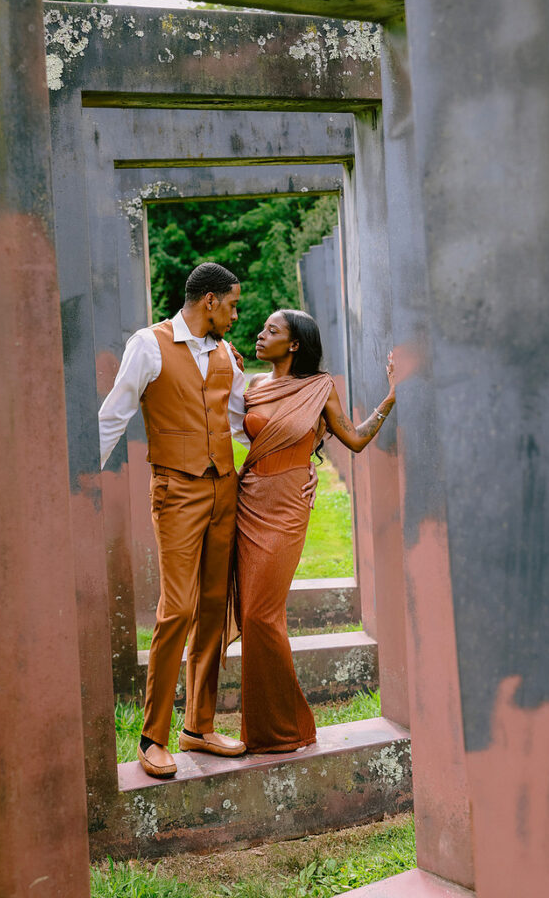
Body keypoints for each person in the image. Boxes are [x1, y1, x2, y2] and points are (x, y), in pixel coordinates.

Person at [98, 264, 316, 777]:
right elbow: (114, 414)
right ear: (210, 301)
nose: (239, 316)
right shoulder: (148, 345)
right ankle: (152, 737)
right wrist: (70, 484)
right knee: (177, 608)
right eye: (234, 305)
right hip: (176, 492)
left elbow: (247, 424)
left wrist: (297, 466)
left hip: (226, 492)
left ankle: (197, 726)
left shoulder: (224, 356)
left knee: (215, 611)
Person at [235, 309, 396, 753]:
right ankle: (267, 732)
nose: (259, 334)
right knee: (253, 615)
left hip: (288, 505)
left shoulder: (319, 387)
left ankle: (289, 729)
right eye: (261, 326)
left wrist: (390, 399)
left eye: (272, 330)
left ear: (294, 345)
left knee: (259, 614)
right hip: (247, 498)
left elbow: (355, 438)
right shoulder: (251, 388)